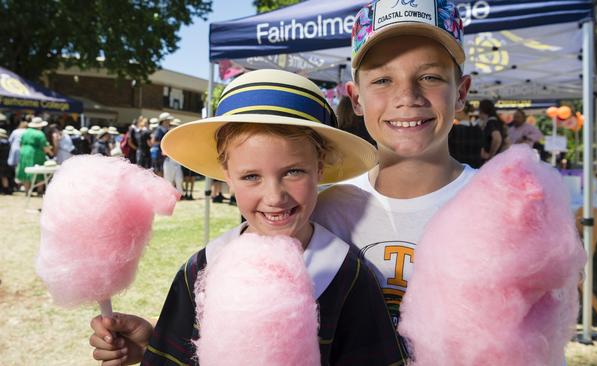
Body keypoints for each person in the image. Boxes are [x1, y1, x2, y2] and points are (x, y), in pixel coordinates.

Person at [89, 69, 405, 366]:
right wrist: (151, 343)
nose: (274, 196)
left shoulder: (346, 274)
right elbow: (174, 356)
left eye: (293, 171)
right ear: (227, 176)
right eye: (251, 176)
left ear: (320, 168)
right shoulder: (201, 269)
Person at [16, 117, 52, 193]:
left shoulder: (25, 132)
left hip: (24, 152)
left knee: (25, 170)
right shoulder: (40, 134)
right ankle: (39, 190)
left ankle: (27, 191)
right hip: (35, 153)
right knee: (40, 171)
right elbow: (45, 147)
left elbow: (20, 143)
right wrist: (51, 153)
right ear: (40, 125)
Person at [448, 102, 483, 168]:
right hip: (475, 166)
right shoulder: (478, 128)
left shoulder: (453, 130)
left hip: (458, 168)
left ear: (460, 111)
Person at [162, 119, 183, 196]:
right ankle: (168, 196)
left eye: (176, 126)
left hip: (177, 161)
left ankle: (179, 195)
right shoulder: (166, 136)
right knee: (168, 181)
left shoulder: (180, 137)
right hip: (169, 161)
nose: (174, 127)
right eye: (173, 126)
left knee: (179, 179)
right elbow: (163, 151)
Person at [0, 128, 11, 194]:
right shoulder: (8, 142)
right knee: (5, 176)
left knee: (3, 176)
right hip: (7, 160)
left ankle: (5, 190)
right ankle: (6, 190)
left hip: (1, 161)